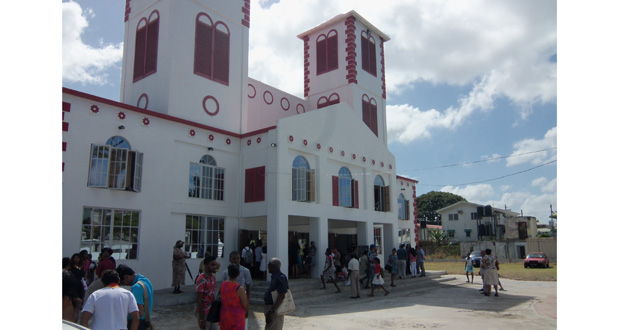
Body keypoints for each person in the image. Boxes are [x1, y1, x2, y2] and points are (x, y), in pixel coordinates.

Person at [117, 264, 154, 330]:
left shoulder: (136, 287)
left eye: (122, 283)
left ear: (126, 277)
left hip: (138, 324)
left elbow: (139, 313)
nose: (125, 285)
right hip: (146, 320)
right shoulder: (146, 281)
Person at [220, 264, 250, 330]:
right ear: (239, 274)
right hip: (236, 316)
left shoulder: (223, 284)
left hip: (225, 314)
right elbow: (244, 304)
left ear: (228, 273)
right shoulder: (240, 289)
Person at [264, 258, 289, 330]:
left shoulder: (280, 277)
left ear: (274, 267)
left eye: (269, 265)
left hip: (275, 309)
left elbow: (282, 295)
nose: (268, 267)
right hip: (270, 307)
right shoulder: (275, 277)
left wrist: (272, 311)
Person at [196, 256, 219, 330]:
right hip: (204, 312)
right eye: (212, 265)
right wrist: (202, 319)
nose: (215, 267)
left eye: (215, 264)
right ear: (206, 266)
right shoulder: (201, 279)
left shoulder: (212, 277)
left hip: (212, 310)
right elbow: (199, 300)